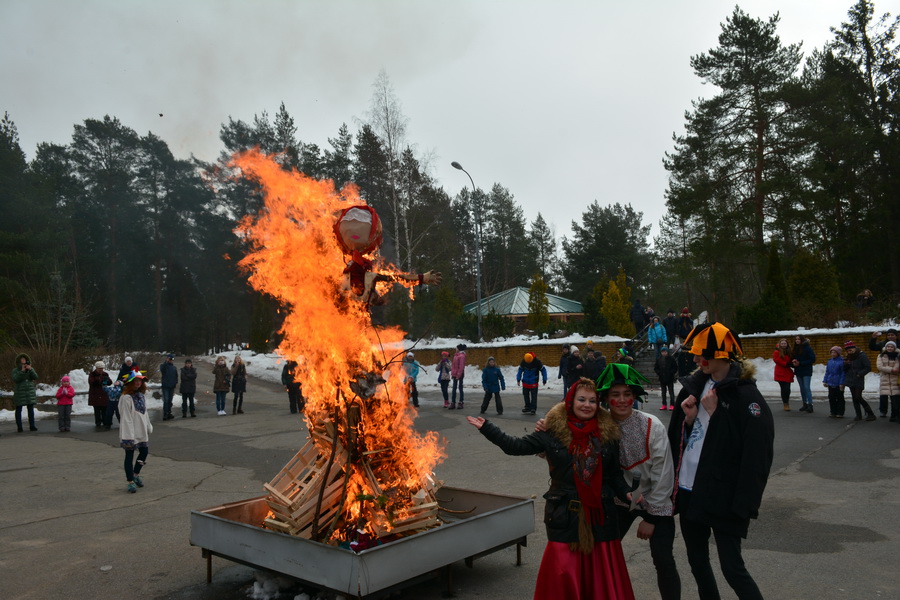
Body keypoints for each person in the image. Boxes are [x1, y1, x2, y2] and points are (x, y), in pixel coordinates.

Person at [467, 377, 635, 599]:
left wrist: (626, 492)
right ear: (570, 401)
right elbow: (515, 446)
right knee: (563, 574)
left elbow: (613, 475)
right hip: (564, 515)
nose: (587, 405)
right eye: (582, 399)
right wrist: (488, 428)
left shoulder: (608, 434)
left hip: (600, 517)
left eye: (592, 401)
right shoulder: (552, 432)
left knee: (600, 578)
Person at [668, 322, 774, 600]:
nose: (695, 360)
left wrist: (717, 416)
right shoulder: (692, 388)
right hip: (689, 489)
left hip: (724, 494)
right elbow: (679, 438)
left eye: (701, 355)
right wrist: (689, 421)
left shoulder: (746, 395)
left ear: (722, 355)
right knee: (697, 561)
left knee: (732, 568)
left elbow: (757, 452)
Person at [598, 363, 681, 600]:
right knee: (603, 555)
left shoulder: (652, 424)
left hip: (655, 498)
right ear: (606, 398)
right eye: (615, 394)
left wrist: (651, 517)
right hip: (620, 499)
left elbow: (663, 473)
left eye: (627, 394)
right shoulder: (599, 426)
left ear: (634, 396)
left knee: (663, 560)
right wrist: (546, 430)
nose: (622, 400)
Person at [119, 370, 153, 493]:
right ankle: (130, 481)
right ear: (130, 382)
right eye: (136, 381)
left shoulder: (141, 396)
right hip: (130, 432)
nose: (138, 383)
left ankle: (136, 473)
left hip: (141, 430)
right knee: (129, 455)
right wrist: (129, 435)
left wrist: (148, 425)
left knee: (144, 452)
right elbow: (126, 417)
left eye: (140, 381)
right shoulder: (126, 398)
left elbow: (145, 413)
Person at [843, 341, 875, 422]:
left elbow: (868, 367)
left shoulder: (862, 356)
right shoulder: (848, 357)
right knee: (854, 398)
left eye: (851, 349)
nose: (849, 351)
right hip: (850, 379)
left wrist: (860, 374)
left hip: (858, 379)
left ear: (854, 348)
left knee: (858, 396)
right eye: (848, 350)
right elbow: (845, 369)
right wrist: (846, 364)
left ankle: (870, 413)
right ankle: (858, 414)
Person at [13, 353, 39, 432]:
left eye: (25, 359)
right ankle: (19, 427)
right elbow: (15, 379)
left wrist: (30, 370)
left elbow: (35, 377)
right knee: (18, 409)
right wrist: (22, 371)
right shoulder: (15, 370)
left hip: (29, 391)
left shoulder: (30, 369)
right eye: (22, 359)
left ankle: (32, 425)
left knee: (30, 409)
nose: (24, 361)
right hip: (20, 392)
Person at [876, 341, 900, 420]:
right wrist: (892, 370)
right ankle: (883, 411)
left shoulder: (897, 356)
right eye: (888, 347)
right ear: (886, 347)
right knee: (884, 397)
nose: (890, 348)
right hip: (885, 379)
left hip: (894, 379)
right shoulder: (881, 355)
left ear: (894, 348)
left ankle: (894, 415)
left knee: (895, 399)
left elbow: (897, 366)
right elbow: (880, 367)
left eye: (891, 347)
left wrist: (892, 370)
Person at [792, 336, 816, 413]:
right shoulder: (795, 348)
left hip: (806, 370)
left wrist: (801, 363)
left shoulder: (807, 348)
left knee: (806, 387)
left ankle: (810, 404)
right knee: (802, 388)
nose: (797, 341)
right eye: (796, 339)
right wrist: (794, 361)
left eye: (799, 339)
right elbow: (793, 357)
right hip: (798, 370)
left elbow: (812, 359)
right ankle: (804, 403)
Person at [823, 346, 846, 418]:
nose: (833, 354)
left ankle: (840, 412)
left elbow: (843, 373)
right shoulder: (830, 361)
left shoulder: (842, 362)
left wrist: (841, 383)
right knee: (831, 398)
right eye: (832, 352)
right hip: (831, 382)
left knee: (840, 398)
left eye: (834, 352)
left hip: (838, 382)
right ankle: (833, 411)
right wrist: (825, 380)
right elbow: (827, 372)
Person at [88, 361, 112, 428]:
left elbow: (110, 382)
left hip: (103, 394)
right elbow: (91, 382)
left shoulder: (105, 374)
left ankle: (105, 421)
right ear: (96, 368)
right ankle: (98, 422)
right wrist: (99, 379)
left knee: (104, 409)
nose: (101, 370)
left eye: (102, 368)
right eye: (99, 369)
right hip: (95, 394)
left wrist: (106, 380)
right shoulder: (92, 374)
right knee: (97, 409)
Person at [773, 338, 794, 412]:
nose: (784, 345)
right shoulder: (777, 352)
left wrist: (793, 363)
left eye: (785, 343)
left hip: (787, 372)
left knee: (787, 389)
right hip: (780, 372)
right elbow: (777, 360)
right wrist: (787, 364)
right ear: (780, 344)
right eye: (782, 343)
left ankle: (786, 402)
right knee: (783, 388)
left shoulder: (789, 351)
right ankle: (785, 403)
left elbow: (792, 359)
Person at [655, 346, 678, 411]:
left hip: (670, 378)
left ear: (667, 352)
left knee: (671, 392)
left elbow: (675, 367)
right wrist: (659, 373)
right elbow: (656, 367)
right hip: (662, 377)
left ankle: (672, 404)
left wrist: (671, 373)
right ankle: (664, 404)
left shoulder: (671, 359)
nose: (664, 353)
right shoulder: (659, 359)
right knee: (663, 392)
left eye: (665, 352)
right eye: (662, 352)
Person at [159, 353, 178, 421]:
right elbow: (162, 369)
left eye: (172, 359)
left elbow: (176, 376)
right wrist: (166, 362)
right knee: (166, 400)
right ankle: (165, 413)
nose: (171, 360)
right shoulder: (164, 366)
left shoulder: (174, 368)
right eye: (170, 359)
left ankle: (169, 412)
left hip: (171, 386)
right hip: (166, 386)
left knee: (170, 400)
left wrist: (175, 383)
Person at [450, 343, 467, 410]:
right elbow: (453, 366)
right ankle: (453, 402)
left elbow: (461, 367)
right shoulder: (456, 356)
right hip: (455, 374)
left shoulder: (462, 356)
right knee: (454, 388)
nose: (455, 349)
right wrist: (453, 374)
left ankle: (461, 402)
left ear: (459, 349)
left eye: (456, 348)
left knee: (460, 388)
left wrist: (458, 375)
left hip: (460, 374)